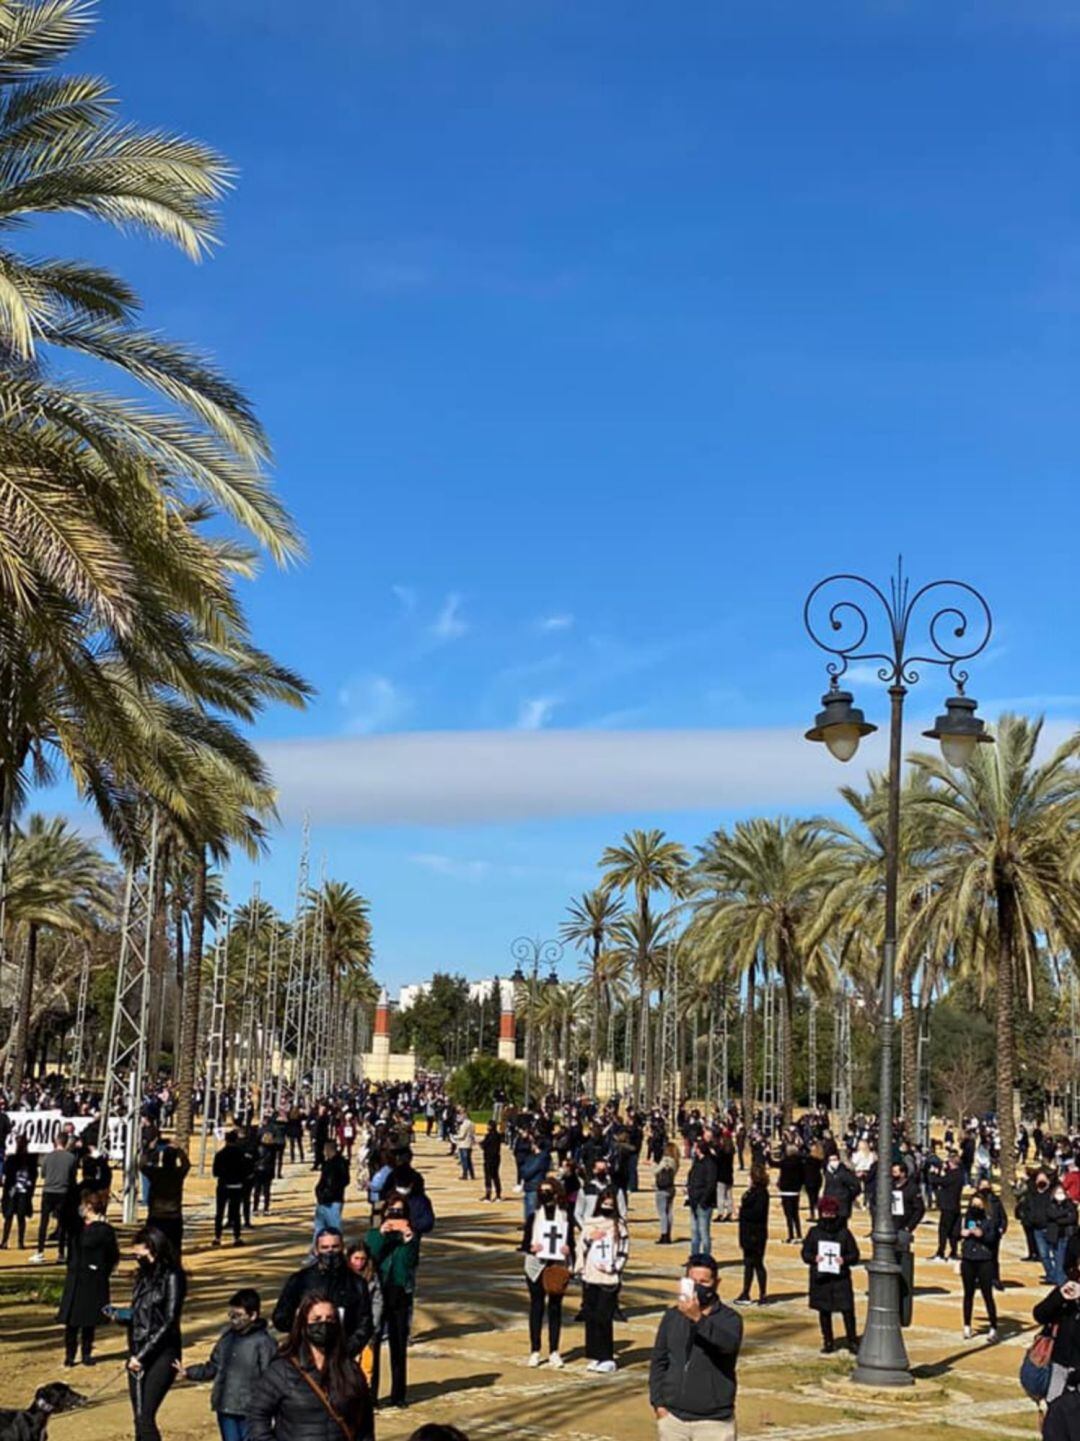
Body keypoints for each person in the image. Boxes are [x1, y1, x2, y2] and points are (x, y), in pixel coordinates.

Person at [248, 1293, 374, 1441]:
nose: (324, 1324)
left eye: (330, 1319)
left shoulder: (350, 1370)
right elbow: (256, 1415)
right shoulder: (282, 1370)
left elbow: (364, 1423)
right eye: (316, 1319)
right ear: (303, 1324)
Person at [649, 1253, 743, 1441]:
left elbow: (727, 1345)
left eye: (704, 1282)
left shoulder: (729, 1319)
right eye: (693, 1281)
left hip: (714, 1422)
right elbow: (659, 1360)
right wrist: (659, 1404)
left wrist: (698, 1319)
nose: (698, 1287)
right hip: (673, 1420)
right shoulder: (672, 1316)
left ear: (716, 1283)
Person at [108, 1225, 187, 1441]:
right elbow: (142, 1313)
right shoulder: (143, 1276)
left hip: (162, 1352)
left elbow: (170, 1320)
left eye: (139, 1253)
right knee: (139, 1417)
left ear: (152, 1248)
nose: (136, 1257)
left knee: (146, 1417)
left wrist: (142, 1356)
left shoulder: (173, 1276)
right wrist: (123, 1317)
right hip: (138, 1346)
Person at [175, 1287, 278, 1441]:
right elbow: (213, 1366)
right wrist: (189, 1372)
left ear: (253, 1315)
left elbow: (271, 1379)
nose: (234, 1320)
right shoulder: (227, 1338)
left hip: (251, 1412)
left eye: (238, 1315)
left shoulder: (264, 1343)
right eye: (231, 1315)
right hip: (226, 1407)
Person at [273, 1228, 373, 1357]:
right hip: (306, 1353)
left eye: (335, 1247)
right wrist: (301, 1326)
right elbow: (280, 1317)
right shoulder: (300, 1280)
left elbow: (365, 1323)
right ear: (316, 1250)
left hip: (342, 1355)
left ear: (342, 1247)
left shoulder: (356, 1283)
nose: (330, 1251)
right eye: (325, 1247)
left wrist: (347, 1350)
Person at [366, 1194, 420, 1408]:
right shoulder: (374, 1234)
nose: (396, 1216)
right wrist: (382, 1234)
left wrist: (408, 1239)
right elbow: (372, 1257)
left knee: (398, 1346)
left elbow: (410, 1263)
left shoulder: (411, 1237)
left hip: (400, 1294)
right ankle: (371, 1394)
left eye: (400, 1212)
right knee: (373, 1343)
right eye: (392, 1211)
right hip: (379, 1295)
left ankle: (399, 1395)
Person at [57, 1192, 119, 1367]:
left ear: (89, 1207)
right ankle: (70, 1355)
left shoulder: (103, 1230)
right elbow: (64, 1216)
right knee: (71, 1322)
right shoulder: (77, 1226)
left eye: (84, 1205)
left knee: (88, 1321)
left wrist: (101, 1271)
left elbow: (112, 1255)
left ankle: (86, 1353)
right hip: (75, 1277)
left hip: (92, 1279)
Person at [523, 1176, 573, 1369]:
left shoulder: (565, 1216)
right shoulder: (534, 1216)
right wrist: (531, 1247)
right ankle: (535, 1350)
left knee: (555, 1309)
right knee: (536, 1307)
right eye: (541, 1192)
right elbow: (525, 1242)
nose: (544, 1195)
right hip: (536, 1266)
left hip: (557, 1266)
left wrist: (568, 1249)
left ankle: (554, 1350)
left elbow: (571, 1242)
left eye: (548, 1191)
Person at [578, 1187, 629, 1373]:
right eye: (604, 1204)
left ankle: (607, 1356)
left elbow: (624, 1250)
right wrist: (589, 1238)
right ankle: (594, 1354)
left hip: (609, 1279)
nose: (607, 1207)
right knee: (590, 1316)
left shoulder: (619, 1226)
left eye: (610, 1204)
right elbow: (581, 1247)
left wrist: (613, 1268)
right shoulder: (590, 1224)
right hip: (590, 1276)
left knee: (603, 1316)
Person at [800, 1196, 859, 1354]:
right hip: (821, 1278)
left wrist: (844, 1260)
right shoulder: (814, 1232)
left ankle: (852, 1340)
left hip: (841, 1278)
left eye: (831, 1213)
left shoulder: (845, 1233)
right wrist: (814, 1258)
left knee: (847, 1310)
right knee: (824, 1311)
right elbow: (805, 1253)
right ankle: (828, 1341)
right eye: (825, 1213)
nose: (828, 1216)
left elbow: (855, 1255)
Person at [1034, 1271, 1080, 1404]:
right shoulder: (1070, 1285)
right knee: (1054, 1407)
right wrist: (1059, 1296)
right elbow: (1039, 1315)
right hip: (1059, 1363)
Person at [959, 1190, 999, 1342]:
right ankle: (967, 1325)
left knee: (987, 1294)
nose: (975, 1207)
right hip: (968, 1258)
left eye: (978, 1204)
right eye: (973, 1204)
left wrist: (982, 1235)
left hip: (984, 1260)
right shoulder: (966, 1217)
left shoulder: (989, 1220)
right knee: (968, 1293)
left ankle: (993, 1327)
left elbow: (993, 1238)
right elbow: (956, 1234)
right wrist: (961, 1233)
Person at [32, 1131, 77, 1264]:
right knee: (62, 1223)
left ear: (56, 1141)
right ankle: (61, 1253)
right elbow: (72, 1176)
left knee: (44, 1222)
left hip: (48, 1191)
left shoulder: (47, 1157)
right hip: (63, 1192)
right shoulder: (71, 1158)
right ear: (66, 1142)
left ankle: (40, 1252)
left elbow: (43, 1174)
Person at [347, 1242, 384, 1398]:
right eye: (356, 1258)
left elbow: (378, 1302)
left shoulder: (372, 1277)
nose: (359, 1262)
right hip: (347, 1329)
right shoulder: (343, 1276)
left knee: (367, 1367)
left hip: (367, 1328)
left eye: (363, 1259)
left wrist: (372, 1327)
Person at [141, 1144, 190, 1255]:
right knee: (175, 1249)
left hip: (156, 1216)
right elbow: (186, 1165)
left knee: (154, 1248)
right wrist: (180, 1152)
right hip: (174, 1216)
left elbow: (142, 1165)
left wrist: (149, 1151)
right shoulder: (177, 1174)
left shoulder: (155, 1173)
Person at [734, 1163, 769, 1305]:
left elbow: (757, 1213)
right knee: (748, 1263)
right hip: (747, 1232)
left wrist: (741, 1211)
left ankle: (762, 1294)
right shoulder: (752, 1191)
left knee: (758, 1263)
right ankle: (746, 1292)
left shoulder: (761, 1193)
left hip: (756, 1233)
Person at [1, 1133, 37, 1249]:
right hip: (18, 1191)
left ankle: (7, 1241)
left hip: (17, 1191)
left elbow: (6, 1173)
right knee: (16, 1217)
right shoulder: (26, 1159)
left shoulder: (22, 1159)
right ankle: (16, 1242)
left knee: (11, 1217)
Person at [213, 1131, 249, 1249]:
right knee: (235, 1213)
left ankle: (217, 1237)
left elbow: (215, 1172)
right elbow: (245, 1171)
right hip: (236, 1186)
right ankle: (236, 1237)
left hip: (223, 1185)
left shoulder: (220, 1154)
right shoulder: (241, 1154)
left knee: (219, 1212)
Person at [686, 1139, 718, 1260]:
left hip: (704, 1203)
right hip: (694, 1201)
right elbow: (692, 1178)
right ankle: (694, 1256)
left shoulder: (710, 1163)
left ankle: (705, 1257)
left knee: (704, 1232)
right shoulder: (697, 1162)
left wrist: (703, 1201)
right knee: (694, 1232)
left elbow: (711, 1184)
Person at [314, 1141, 350, 1241]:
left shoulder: (340, 1163)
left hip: (334, 1200)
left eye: (325, 1149)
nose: (324, 1152)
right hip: (323, 1199)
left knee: (334, 1230)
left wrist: (330, 1192)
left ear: (329, 1149)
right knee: (319, 1230)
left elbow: (345, 1180)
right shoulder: (327, 1163)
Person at [932, 1154, 964, 1262]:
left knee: (944, 1230)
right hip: (955, 1206)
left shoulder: (953, 1175)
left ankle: (941, 1252)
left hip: (948, 1206)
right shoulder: (960, 1174)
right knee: (953, 1230)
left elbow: (937, 1181)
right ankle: (953, 1252)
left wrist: (934, 1173)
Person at [776, 1144, 804, 1244]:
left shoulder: (785, 1162)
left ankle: (791, 1235)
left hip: (786, 1190)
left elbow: (773, 1163)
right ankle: (799, 1235)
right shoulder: (800, 1162)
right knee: (795, 1214)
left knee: (788, 1215)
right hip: (795, 1191)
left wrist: (766, 1154)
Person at [654, 1147, 678, 1245]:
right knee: (669, 1212)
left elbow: (655, 1171)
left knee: (662, 1213)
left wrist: (653, 1165)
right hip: (671, 1187)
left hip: (662, 1189)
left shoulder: (665, 1161)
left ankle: (664, 1234)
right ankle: (668, 1233)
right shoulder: (675, 1162)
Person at [480, 1121, 502, 1202]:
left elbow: (484, 1145)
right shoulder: (498, 1136)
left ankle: (488, 1195)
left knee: (488, 1177)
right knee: (496, 1176)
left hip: (489, 1158)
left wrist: (481, 1144)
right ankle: (498, 1195)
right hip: (496, 1158)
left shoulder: (489, 1136)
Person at [455, 1113, 476, 1182]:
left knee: (464, 1161)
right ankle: (472, 1174)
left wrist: (454, 1137)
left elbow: (462, 1136)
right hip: (469, 1144)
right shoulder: (472, 1123)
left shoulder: (464, 1125)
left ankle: (465, 1174)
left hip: (463, 1144)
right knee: (469, 1160)